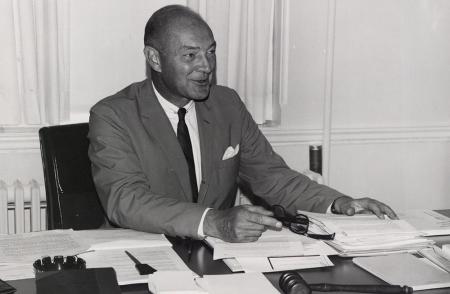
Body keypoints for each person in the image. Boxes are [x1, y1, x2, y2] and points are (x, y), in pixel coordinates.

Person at [88, 5, 396, 243]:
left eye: (211, 52)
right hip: (145, 256)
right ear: (154, 59)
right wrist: (214, 222)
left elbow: (272, 177)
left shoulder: (227, 105)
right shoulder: (113, 115)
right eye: (190, 55)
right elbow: (126, 200)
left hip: (218, 257)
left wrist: (339, 203)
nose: (206, 66)